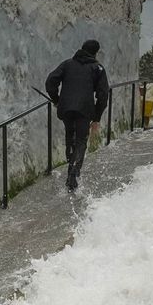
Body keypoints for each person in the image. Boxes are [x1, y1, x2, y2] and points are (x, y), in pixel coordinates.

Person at [45, 39, 110, 192]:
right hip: (85, 110)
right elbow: (103, 95)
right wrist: (96, 118)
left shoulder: (67, 64)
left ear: (81, 49)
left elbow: (50, 82)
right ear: (95, 53)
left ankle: (71, 161)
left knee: (70, 135)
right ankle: (73, 172)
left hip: (66, 108)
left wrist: (57, 100)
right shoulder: (98, 68)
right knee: (81, 140)